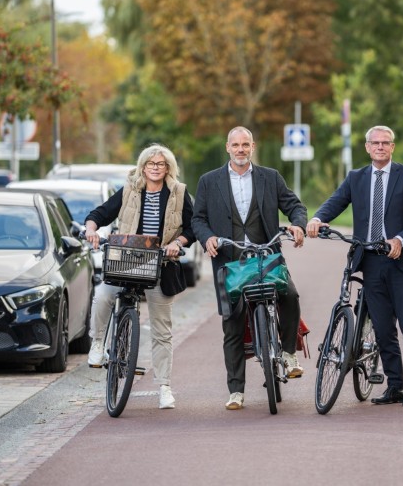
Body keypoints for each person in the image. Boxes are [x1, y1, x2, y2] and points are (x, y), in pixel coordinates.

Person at [306, 125, 403, 407]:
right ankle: (395, 386)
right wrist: (317, 218)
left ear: (393, 147)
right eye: (375, 143)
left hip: (402, 262)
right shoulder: (356, 178)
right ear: (367, 147)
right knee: (383, 328)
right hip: (370, 261)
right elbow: (336, 202)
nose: (380, 147)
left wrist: (400, 239)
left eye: (386, 143)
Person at [192, 126, 307, 411]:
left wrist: (298, 224)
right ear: (227, 147)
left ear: (253, 147)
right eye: (236, 145)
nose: (240, 150)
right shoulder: (209, 181)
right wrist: (208, 238)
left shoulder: (271, 177)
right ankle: (236, 391)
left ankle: (288, 353)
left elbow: (294, 206)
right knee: (232, 323)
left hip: (267, 256)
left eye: (245, 145)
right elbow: (198, 219)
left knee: (290, 296)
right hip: (229, 261)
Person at [84, 144, 195, 410]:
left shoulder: (179, 193)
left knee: (162, 330)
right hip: (127, 260)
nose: (155, 168)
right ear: (142, 167)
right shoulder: (129, 190)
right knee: (103, 295)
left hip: (162, 264)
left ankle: (164, 387)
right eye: (150, 164)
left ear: (168, 168)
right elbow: (100, 213)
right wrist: (90, 229)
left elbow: (192, 228)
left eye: (161, 164)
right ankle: (98, 343)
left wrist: (177, 243)